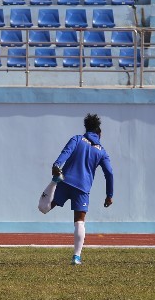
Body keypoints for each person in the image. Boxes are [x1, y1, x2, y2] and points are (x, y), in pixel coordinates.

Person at [38, 113, 114, 265]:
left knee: (43, 209)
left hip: (65, 181)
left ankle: (54, 181)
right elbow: (109, 173)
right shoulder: (102, 151)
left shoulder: (77, 139)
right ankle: (76, 257)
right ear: (99, 133)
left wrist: (57, 165)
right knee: (79, 221)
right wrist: (109, 195)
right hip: (83, 188)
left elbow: (65, 153)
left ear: (86, 128)